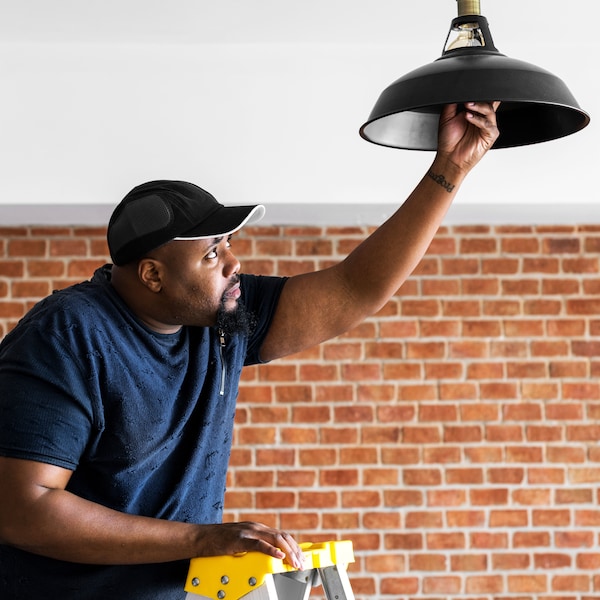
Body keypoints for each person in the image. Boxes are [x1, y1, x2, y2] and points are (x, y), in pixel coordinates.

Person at [0, 101, 499, 599]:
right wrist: (202, 538)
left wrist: (450, 168)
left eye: (230, 243)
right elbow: (24, 509)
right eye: (213, 253)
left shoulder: (220, 317)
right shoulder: (68, 335)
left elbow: (353, 289)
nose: (234, 263)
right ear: (153, 275)